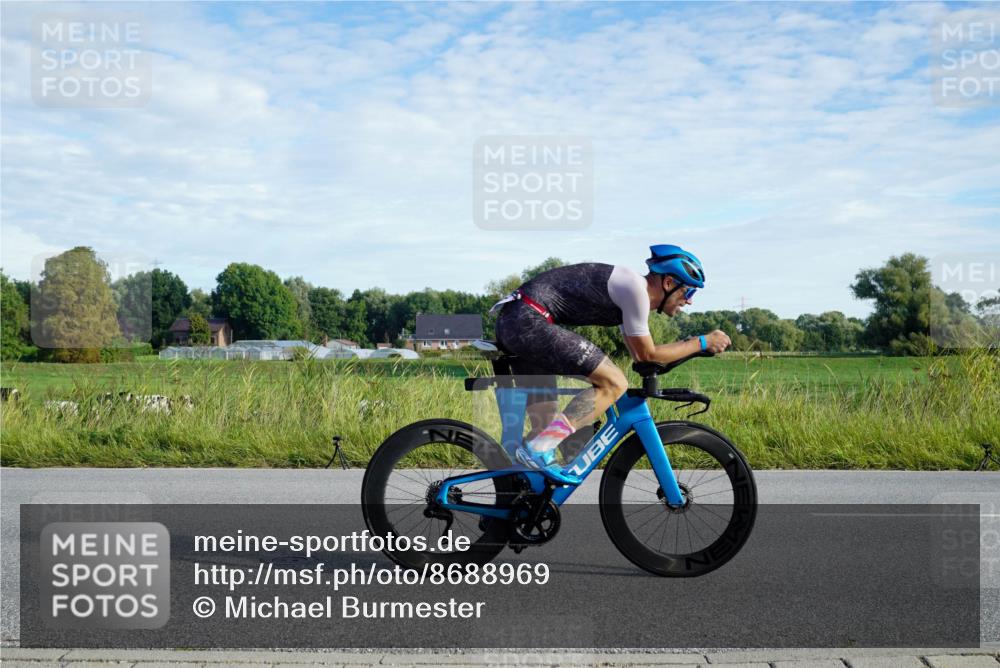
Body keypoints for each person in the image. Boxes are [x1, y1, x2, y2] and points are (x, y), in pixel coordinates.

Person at [491, 244, 731, 483]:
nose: (689, 302)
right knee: (614, 383)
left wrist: (694, 348)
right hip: (529, 320)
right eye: (688, 293)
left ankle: (516, 505)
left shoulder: (630, 293)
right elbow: (648, 354)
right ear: (668, 283)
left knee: (543, 427)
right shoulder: (636, 290)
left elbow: (641, 355)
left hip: (517, 320)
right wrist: (702, 341)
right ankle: (539, 449)